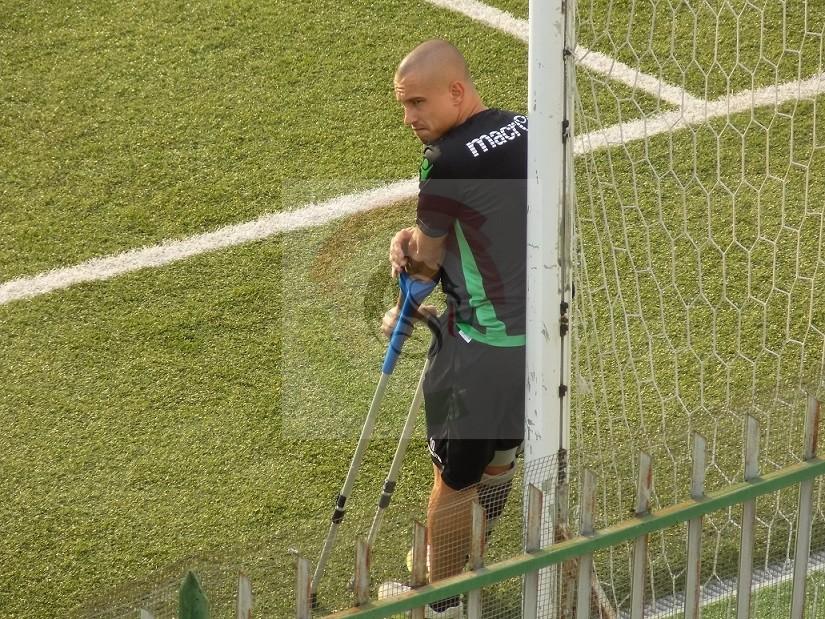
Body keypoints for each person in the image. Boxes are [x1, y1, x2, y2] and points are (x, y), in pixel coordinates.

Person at [378, 39, 528, 618]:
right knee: (498, 464)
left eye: (417, 103)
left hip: (478, 345)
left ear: (456, 91)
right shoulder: (524, 127)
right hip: (538, 340)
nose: (411, 118)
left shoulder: (446, 160)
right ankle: (466, 574)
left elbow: (429, 260)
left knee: (454, 478)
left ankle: (439, 605)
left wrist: (404, 253)